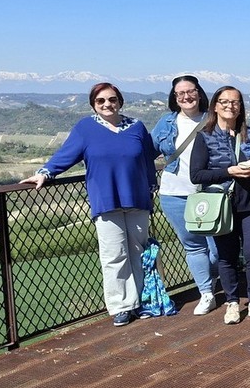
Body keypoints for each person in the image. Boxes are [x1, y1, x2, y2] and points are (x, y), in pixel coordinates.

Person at [24, 83, 158, 327]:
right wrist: (45, 173)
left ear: (120, 101)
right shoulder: (86, 128)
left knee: (139, 252)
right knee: (114, 255)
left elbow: (147, 160)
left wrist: (151, 187)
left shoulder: (137, 126)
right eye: (101, 101)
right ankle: (122, 306)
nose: (107, 104)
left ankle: (142, 301)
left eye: (112, 99)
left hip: (137, 198)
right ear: (93, 105)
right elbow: (66, 154)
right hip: (105, 200)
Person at [190, 86, 250, 325]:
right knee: (227, 256)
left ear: (241, 107)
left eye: (235, 102)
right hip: (222, 206)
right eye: (224, 101)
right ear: (215, 106)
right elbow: (197, 174)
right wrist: (229, 171)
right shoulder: (204, 136)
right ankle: (232, 302)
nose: (230, 106)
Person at [150, 75, 219, 316]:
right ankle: (206, 292)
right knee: (193, 245)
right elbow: (147, 152)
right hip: (174, 193)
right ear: (175, 97)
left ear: (199, 93)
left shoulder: (213, 119)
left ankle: (212, 277)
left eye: (190, 91)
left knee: (217, 247)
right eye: (180, 93)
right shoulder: (166, 123)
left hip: (209, 192)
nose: (186, 97)